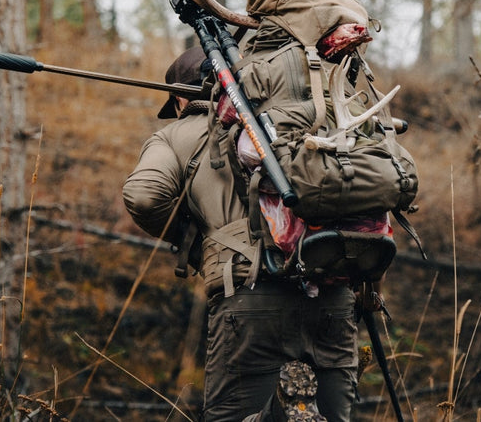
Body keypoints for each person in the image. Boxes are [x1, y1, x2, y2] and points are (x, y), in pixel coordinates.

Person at [122, 48, 359, 422]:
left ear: (181, 98)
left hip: (249, 294)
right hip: (332, 292)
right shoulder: (300, 119)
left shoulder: (175, 134)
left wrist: (201, 246)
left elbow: (143, 196)